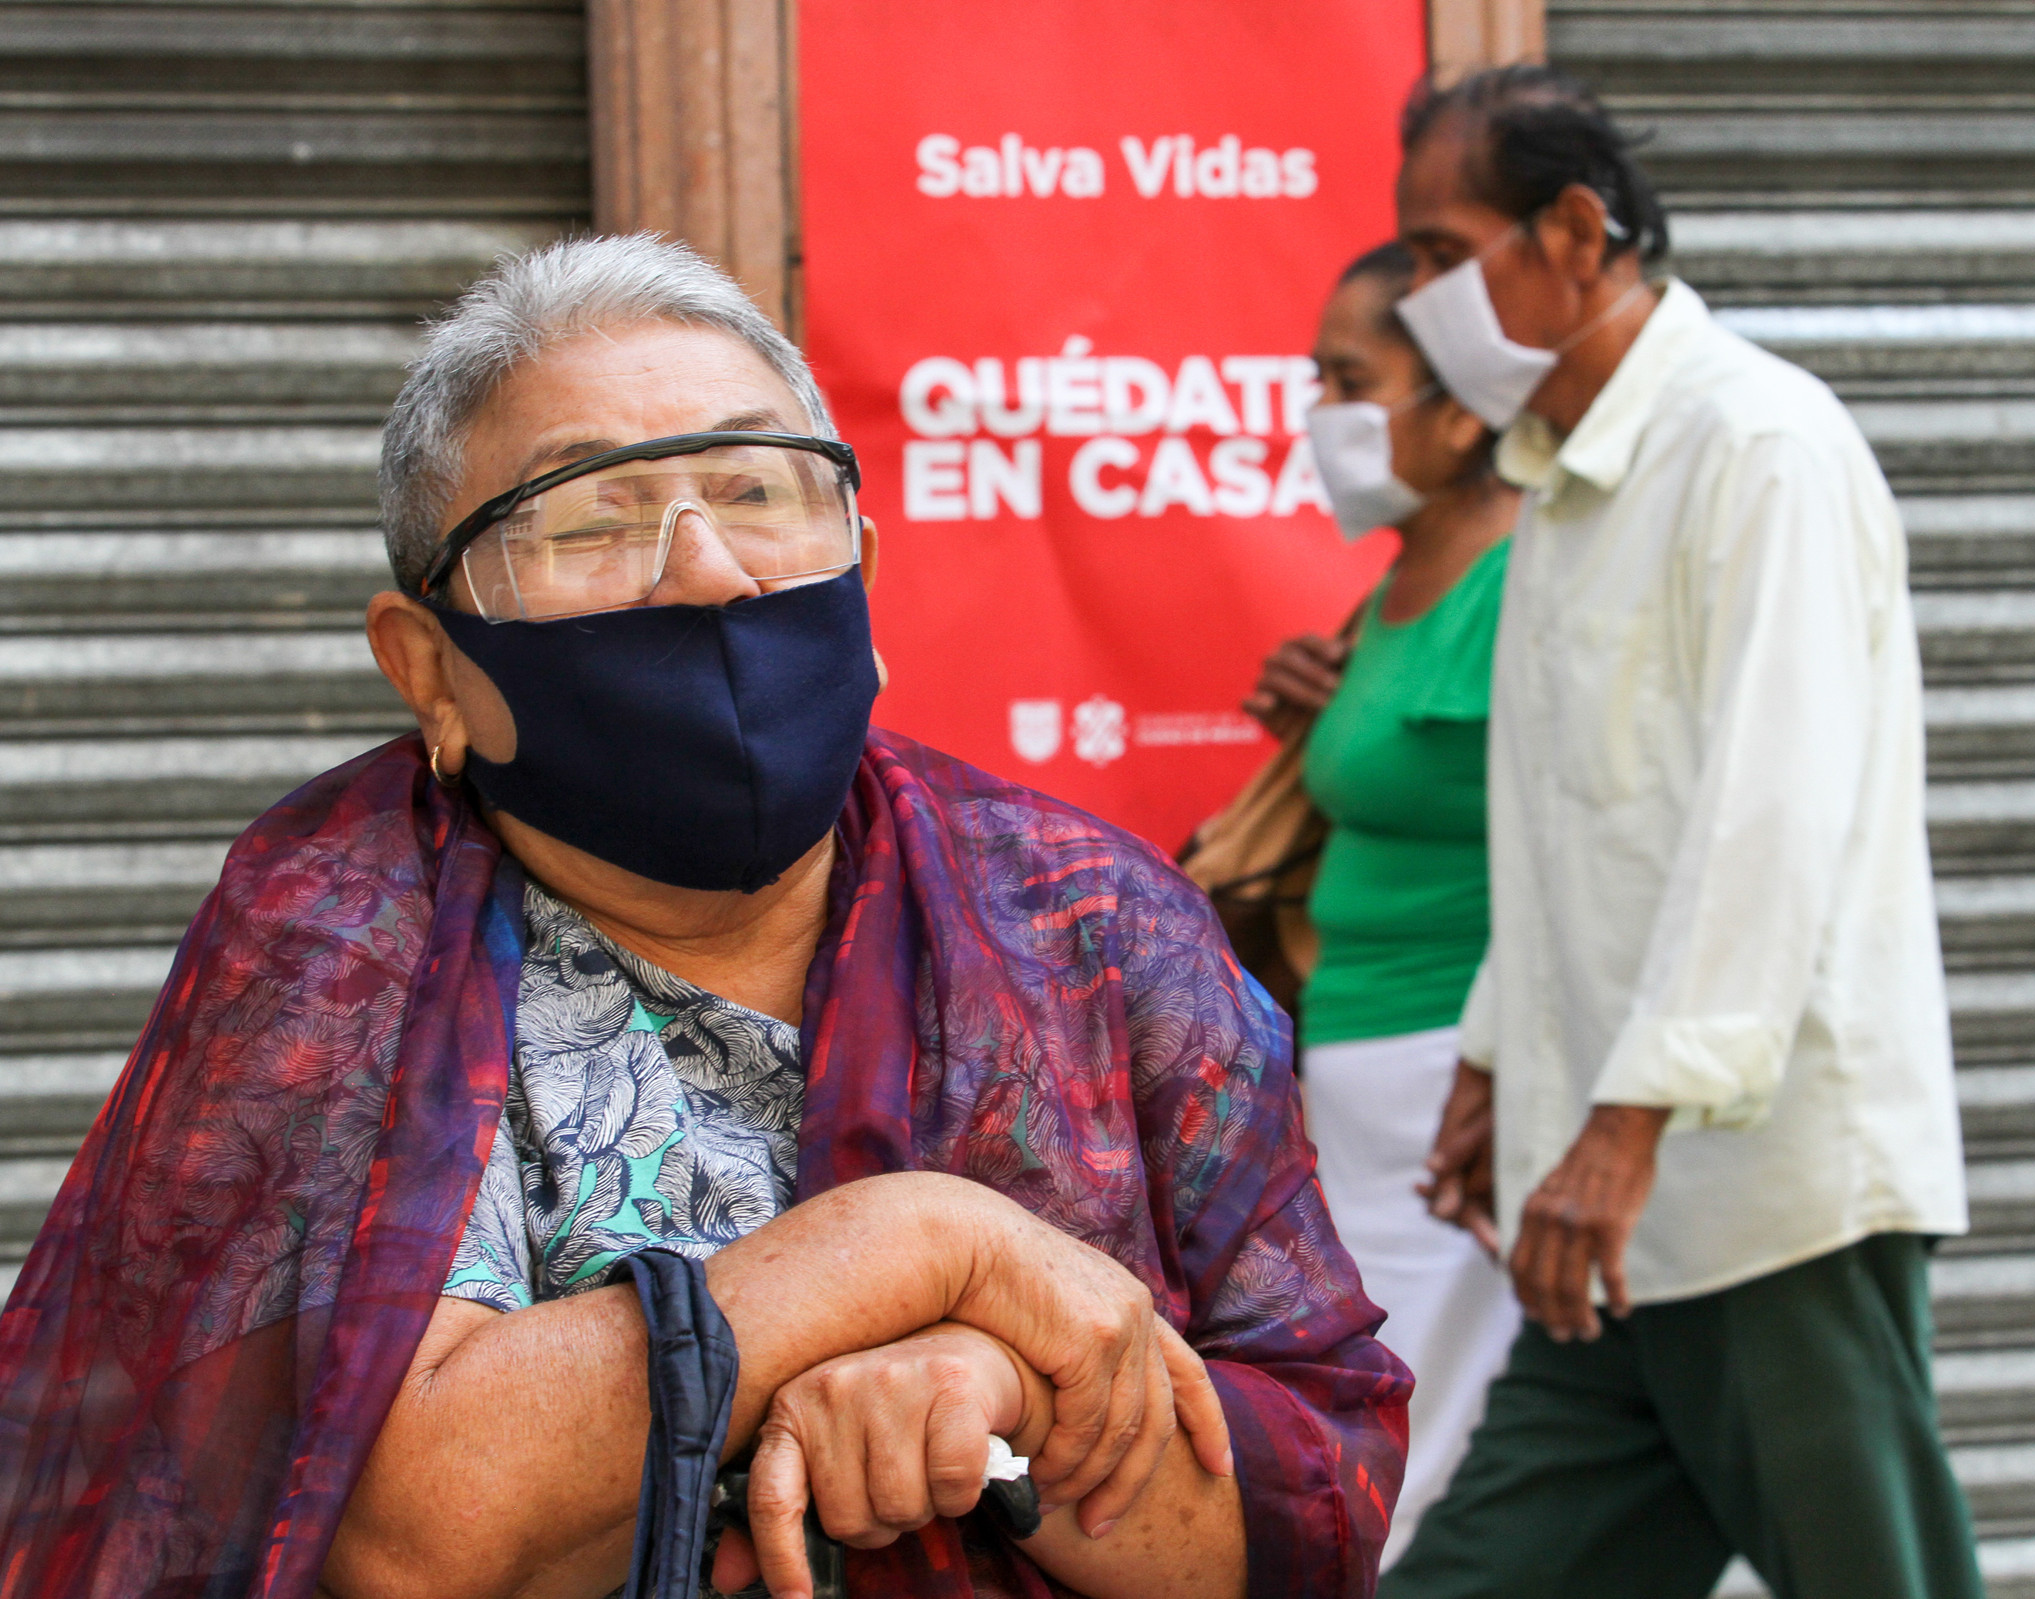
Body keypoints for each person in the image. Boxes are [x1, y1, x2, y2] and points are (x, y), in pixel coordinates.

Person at [0, 235, 1408, 1599]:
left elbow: (1309, 1499)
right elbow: (412, 1535)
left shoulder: (1094, 923)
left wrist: (998, 1407)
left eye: (753, 492)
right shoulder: (333, 948)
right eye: (588, 519)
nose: (706, 572)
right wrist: (917, 1245)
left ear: (859, 562)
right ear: (428, 669)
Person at [1380, 68, 1982, 1599]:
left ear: (1573, 232)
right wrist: (1501, 1056)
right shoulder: (1563, 489)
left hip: (1757, 1198)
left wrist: (1626, 1117)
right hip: (1606, 1215)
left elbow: (1769, 814)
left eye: (1444, 256)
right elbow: (1570, 823)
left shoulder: (1756, 447)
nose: (1421, 302)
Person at [1242, 241, 1518, 1565]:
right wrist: (1321, 713)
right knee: (1385, 1427)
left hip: (1446, 1087)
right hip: (1359, 1082)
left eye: (1348, 379)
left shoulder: (1520, 583)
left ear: (1461, 405)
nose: (1321, 410)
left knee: (1415, 1452)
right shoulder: (1397, 589)